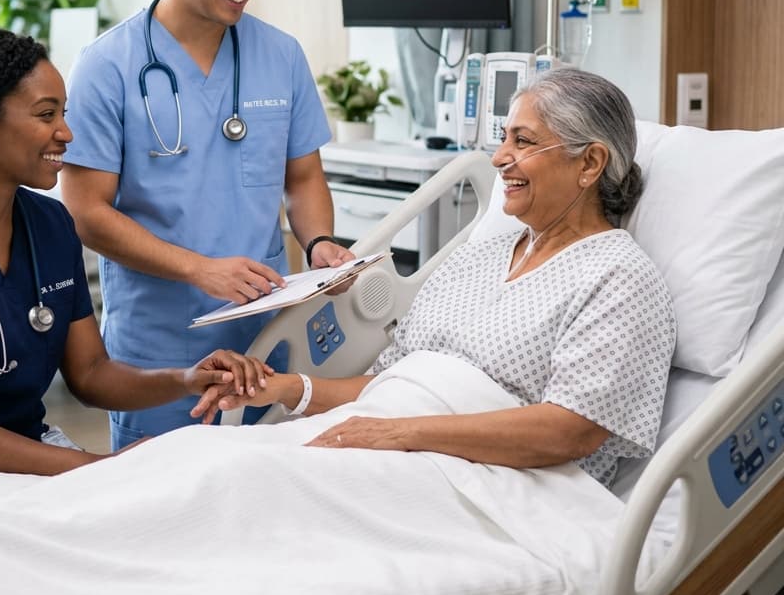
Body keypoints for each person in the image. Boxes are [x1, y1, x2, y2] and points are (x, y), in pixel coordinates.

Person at [206, 68, 677, 488]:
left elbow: (569, 430)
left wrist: (400, 433)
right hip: (390, 440)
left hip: (493, 483)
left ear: (590, 164)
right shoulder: (479, 257)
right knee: (209, 471)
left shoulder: (619, 278)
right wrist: (286, 388)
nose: (499, 158)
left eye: (523, 141)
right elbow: (390, 383)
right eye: (503, 138)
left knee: (252, 499)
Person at [0, 28, 269, 482]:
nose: (66, 133)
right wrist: (97, 468)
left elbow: (90, 373)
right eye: (46, 115)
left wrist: (186, 379)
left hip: (20, 464)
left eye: (63, 114)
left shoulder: (50, 225)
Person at [62, 0, 352, 451]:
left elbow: (303, 178)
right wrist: (199, 268)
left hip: (270, 338)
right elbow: (86, 212)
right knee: (161, 516)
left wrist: (319, 242)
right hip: (160, 346)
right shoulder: (107, 66)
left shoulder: (281, 56)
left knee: (264, 508)